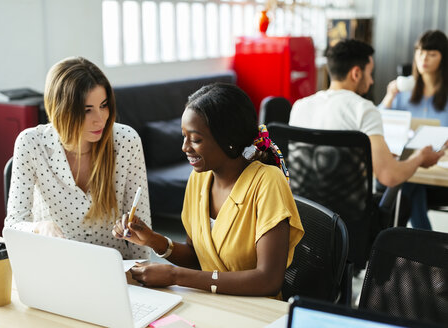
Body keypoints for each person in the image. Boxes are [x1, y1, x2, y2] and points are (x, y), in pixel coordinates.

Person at [112, 83, 304, 297]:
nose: (185, 147)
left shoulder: (267, 182)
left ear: (228, 140)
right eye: (184, 136)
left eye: (195, 139)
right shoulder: (198, 179)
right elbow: (199, 257)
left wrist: (176, 276)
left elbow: (268, 280)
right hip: (212, 303)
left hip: (255, 311)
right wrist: (152, 239)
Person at [4, 57, 151, 259]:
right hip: (57, 264)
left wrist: (142, 279)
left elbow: (140, 230)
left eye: (104, 105)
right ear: (61, 110)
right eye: (86, 110)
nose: (100, 118)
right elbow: (13, 223)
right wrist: (40, 227)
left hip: (114, 269)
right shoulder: (30, 143)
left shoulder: (126, 141)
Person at [290, 39, 443, 190]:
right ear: (356, 73)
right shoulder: (364, 109)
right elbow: (389, 176)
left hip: (304, 208)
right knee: (402, 203)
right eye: (370, 73)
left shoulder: (300, 106)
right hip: (348, 211)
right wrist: (420, 158)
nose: (371, 81)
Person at [380, 30, 448, 229]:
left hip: (439, 169)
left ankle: (385, 229)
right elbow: (379, 122)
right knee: (410, 181)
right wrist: (389, 97)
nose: (423, 58)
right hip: (413, 165)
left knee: (406, 183)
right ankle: (426, 247)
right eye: (419, 52)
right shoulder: (404, 91)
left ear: (443, 58)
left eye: (431, 53)